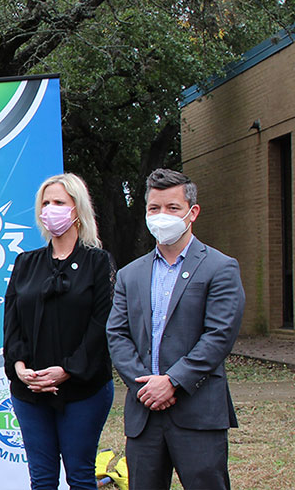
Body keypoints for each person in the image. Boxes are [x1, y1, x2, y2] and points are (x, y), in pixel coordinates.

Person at [107, 168, 245, 490]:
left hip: (197, 414)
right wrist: (146, 385)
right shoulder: (130, 275)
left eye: (172, 208)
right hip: (144, 415)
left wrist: (172, 382)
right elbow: (117, 334)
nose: (162, 216)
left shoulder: (220, 267)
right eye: (154, 209)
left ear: (192, 212)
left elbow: (220, 335)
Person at [3, 173, 115, 489]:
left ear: (77, 210)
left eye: (59, 203)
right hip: (30, 390)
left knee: (80, 475)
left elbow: (101, 325)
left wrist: (67, 370)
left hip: (83, 389)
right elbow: (12, 322)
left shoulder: (98, 262)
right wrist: (20, 368)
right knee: (41, 478)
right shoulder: (25, 262)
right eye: (46, 203)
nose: (50, 209)